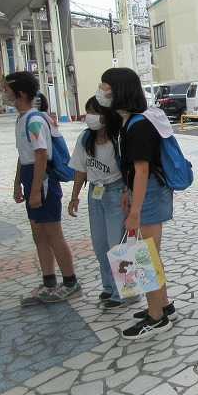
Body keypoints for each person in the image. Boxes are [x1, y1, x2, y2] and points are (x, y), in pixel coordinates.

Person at [99, 68, 176, 339]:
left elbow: (142, 170)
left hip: (150, 195)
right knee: (150, 255)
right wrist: (127, 191)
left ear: (119, 90)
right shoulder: (133, 121)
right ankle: (162, 305)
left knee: (145, 258)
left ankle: (156, 318)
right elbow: (134, 169)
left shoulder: (139, 124)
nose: (102, 92)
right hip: (146, 192)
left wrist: (135, 211)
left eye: (105, 87)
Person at [3, 72, 80, 305]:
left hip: (43, 180)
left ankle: (71, 282)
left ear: (20, 93)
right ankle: (49, 282)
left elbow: (41, 154)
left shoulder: (34, 120)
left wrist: (36, 190)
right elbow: (24, 155)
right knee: (39, 235)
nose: (3, 93)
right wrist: (18, 183)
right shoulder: (22, 119)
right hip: (31, 178)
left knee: (53, 233)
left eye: (6, 89)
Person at [68, 96, 132, 309]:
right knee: (100, 245)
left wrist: (128, 193)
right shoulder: (85, 138)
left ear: (106, 115)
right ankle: (109, 287)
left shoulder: (118, 137)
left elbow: (130, 168)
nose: (90, 117)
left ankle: (127, 291)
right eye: (88, 112)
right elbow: (80, 169)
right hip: (95, 194)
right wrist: (74, 196)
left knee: (118, 245)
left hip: (116, 193)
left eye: (94, 112)